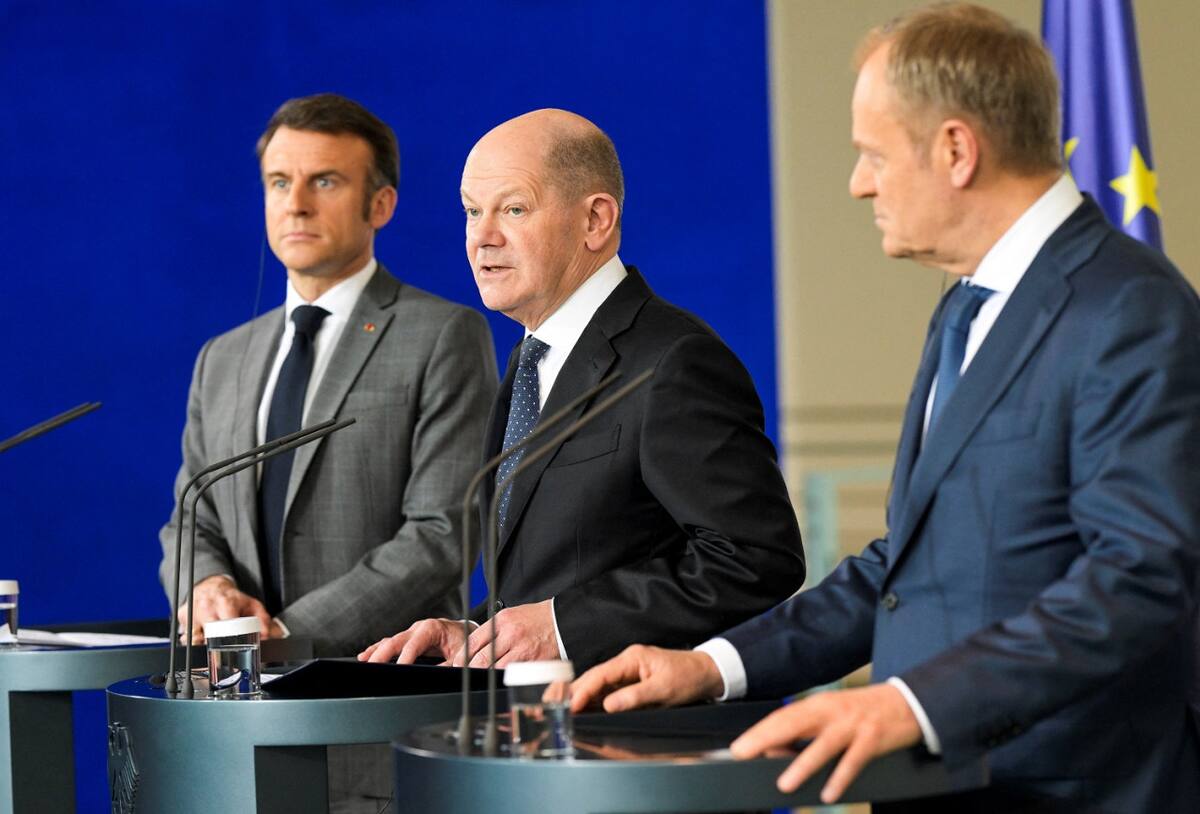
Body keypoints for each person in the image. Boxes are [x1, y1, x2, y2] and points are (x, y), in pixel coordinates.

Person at [571, 6, 1200, 812]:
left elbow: (1138, 579)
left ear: (955, 150)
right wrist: (715, 665)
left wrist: (908, 706)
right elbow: (907, 570)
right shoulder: (964, 307)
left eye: (872, 154)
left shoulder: (1129, 311)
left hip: (1072, 789)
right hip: (944, 784)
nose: (858, 182)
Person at [360, 108, 805, 672]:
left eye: (513, 209)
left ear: (596, 219)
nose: (482, 237)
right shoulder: (529, 361)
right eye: (472, 211)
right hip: (542, 732)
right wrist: (476, 634)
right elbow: (547, 577)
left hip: (645, 738)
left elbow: (757, 559)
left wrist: (563, 626)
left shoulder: (675, 361)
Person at [158, 93, 497, 657]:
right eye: (278, 182)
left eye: (325, 182)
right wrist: (208, 587)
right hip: (230, 696)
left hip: (373, 690)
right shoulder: (222, 357)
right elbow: (192, 516)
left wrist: (284, 636)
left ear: (381, 205)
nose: (296, 204)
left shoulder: (443, 335)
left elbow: (442, 533)